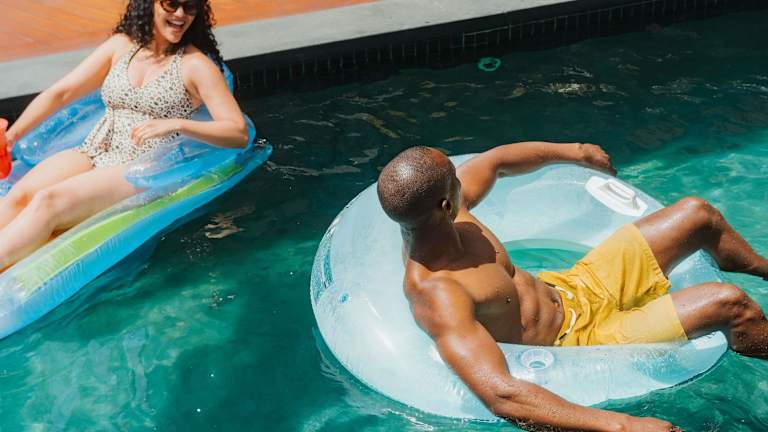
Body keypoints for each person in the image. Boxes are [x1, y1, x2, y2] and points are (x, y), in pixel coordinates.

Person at [377, 143, 768, 431]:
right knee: (730, 303)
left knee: (697, 214)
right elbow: (501, 395)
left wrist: (576, 152)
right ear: (445, 205)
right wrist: (624, 426)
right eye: (455, 179)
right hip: (580, 339)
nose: (462, 180)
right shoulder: (437, 293)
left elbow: (495, 162)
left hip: (575, 286)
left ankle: (761, 268)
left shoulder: (455, 213)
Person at [0, 0, 248, 270]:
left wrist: (177, 124)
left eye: (189, 6)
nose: (180, 14)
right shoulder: (122, 46)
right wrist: (12, 136)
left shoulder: (195, 65)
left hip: (140, 166)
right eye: (172, 4)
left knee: (48, 202)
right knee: (21, 195)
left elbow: (237, 131)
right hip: (94, 148)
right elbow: (61, 93)